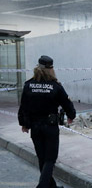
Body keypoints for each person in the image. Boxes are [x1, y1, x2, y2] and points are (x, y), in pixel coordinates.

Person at [18, 55, 76, 188]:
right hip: (50, 127)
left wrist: (24, 124)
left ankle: (52, 187)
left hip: (35, 127)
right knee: (50, 160)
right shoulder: (55, 86)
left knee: (42, 159)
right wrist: (71, 115)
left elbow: (23, 106)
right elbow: (67, 103)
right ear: (51, 69)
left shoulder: (28, 85)